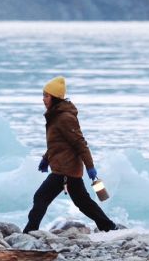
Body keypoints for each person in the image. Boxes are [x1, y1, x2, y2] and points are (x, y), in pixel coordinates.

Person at [25, 76, 118, 233]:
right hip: (66, 169)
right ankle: (109, 227)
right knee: (83, 202)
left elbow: (80, 144)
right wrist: (46, 159)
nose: (43, 99)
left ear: (54, 97)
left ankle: (29, 231)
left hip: (65, 170)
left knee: (41, 197)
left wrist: (90, 168)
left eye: (46, 96)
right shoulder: (55, 115)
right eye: (43, 95)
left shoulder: (64, 118)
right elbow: (59, 143)